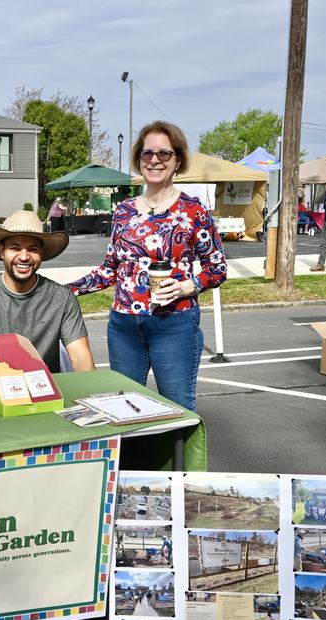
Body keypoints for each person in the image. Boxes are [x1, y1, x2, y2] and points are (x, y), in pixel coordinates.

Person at [67, 121, 227, 412]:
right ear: (139, 160)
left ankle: (177, 460)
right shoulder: (124, 211)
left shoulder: (193, 211)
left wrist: (185, 286)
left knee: (177, 409)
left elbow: (216, 268)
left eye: (164, 154)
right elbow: (111, 268)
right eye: (147, 153)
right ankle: (134, 461)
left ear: (178, 160)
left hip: (174, 325)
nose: (155, 160)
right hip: (124, 325)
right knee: (125, 408)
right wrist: (68, 290)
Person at [0, 210, 95, 380]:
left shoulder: (63, 299)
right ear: (2, 252)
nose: (24, 256)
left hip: (44, 395)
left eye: (32, 249)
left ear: (41, 254)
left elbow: (82, 361)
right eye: (15, 248)